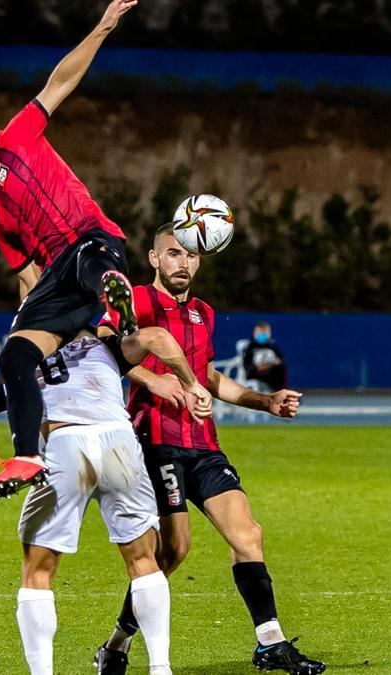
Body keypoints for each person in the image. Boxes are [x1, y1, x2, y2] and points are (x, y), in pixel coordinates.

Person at [0, 0, 140, 499]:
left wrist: (102, 28)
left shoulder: (14, 139)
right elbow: (27, 274)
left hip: (94, 244)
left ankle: (112, 292)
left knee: (89, 260)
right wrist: (35, 324)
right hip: (61, 281)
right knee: (15, 354)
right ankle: (27, 457)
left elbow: (59, 83)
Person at [0, 327, 213, 675]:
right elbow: (157, 337)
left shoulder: (23, 362)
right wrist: (190, 382)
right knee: (144, 561)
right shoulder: (106, 345)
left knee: (38, 572)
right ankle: (160, 668)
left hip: (64, 444)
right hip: (119, 444)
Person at [93, 223, 324, 675]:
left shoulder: (203, 313)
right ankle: (116, 644)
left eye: (192, 256)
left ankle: (270, 641)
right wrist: (151, 379)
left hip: (203, 443)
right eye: (174, 254)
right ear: (155, 259)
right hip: (154, 441)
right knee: (174, 552)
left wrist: (264, 401)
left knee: (248, 534)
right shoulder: (135, 299)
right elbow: (102, 348)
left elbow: (209, 377)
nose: (184, 263)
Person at [242, 321, 287, 391]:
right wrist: (257, 368)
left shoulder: (272, 346)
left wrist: (273, 363)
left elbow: (279, 360)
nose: (262, 335)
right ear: (254, 333)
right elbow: (247, 365)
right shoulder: (251, 347)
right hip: (256, 374)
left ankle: (282, 391)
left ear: (269, 333)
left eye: (265, 333)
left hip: (271, 373)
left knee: (281, 369)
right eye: (259, 333)